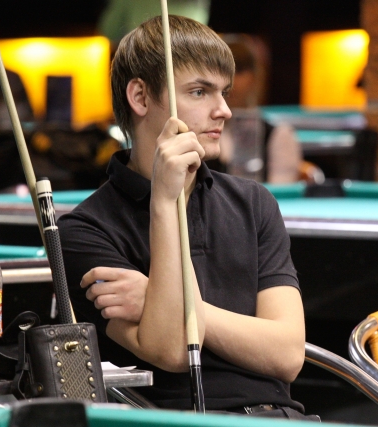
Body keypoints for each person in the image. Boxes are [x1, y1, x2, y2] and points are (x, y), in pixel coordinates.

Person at [59, 15, 315, 420]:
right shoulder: (84, 230)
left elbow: (287, 355)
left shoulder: (254, 203)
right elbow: (175, 349)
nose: (224, 110)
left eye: (224, 92)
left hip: (280, 417)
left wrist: (168, 301)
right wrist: (164, 202)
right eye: (199, 92)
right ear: (140, 97)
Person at [206, 34, 303, 184]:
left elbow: (279, 194)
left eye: (238, 70)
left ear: (255, 76)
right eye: (221, 72)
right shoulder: (201, 130)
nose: (230, 80)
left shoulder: (278, 134)